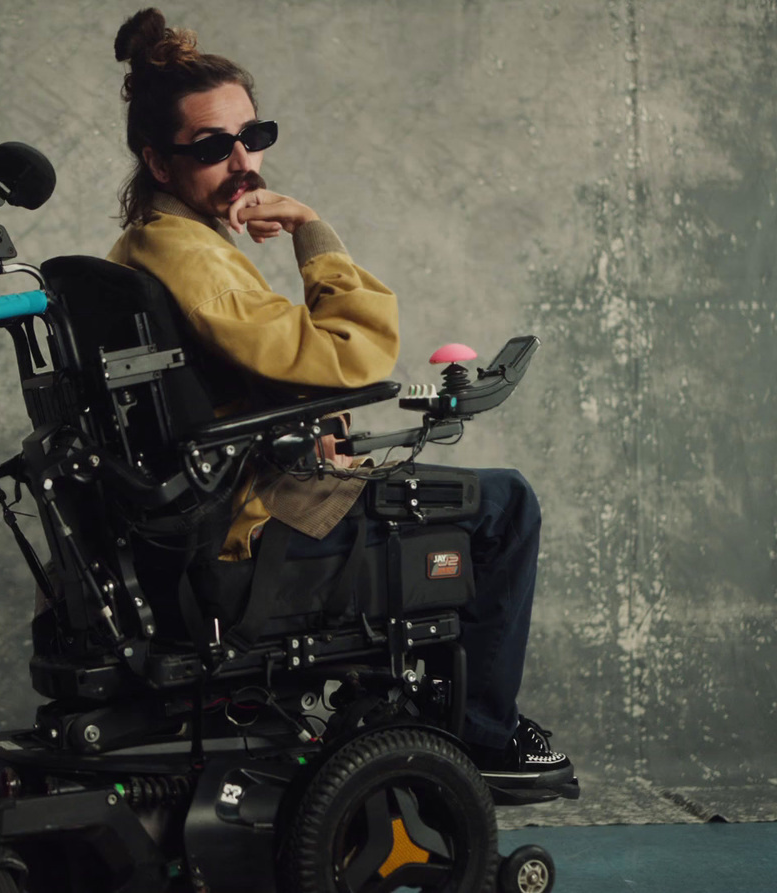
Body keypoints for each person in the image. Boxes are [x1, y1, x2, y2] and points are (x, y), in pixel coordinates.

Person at [105, 8, 572, 800]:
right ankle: (481, 738)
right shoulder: (190, 257)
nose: (243, 161)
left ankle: (430, 723)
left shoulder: (150, 244)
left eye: (254, 137)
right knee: (504, 506)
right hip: (254, 538)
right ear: (158, 160)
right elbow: (347, 356)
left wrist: (311, 428)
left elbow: (254, 375)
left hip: (229, 504)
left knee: (455, 494)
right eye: (214, 147)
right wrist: (315, 233)